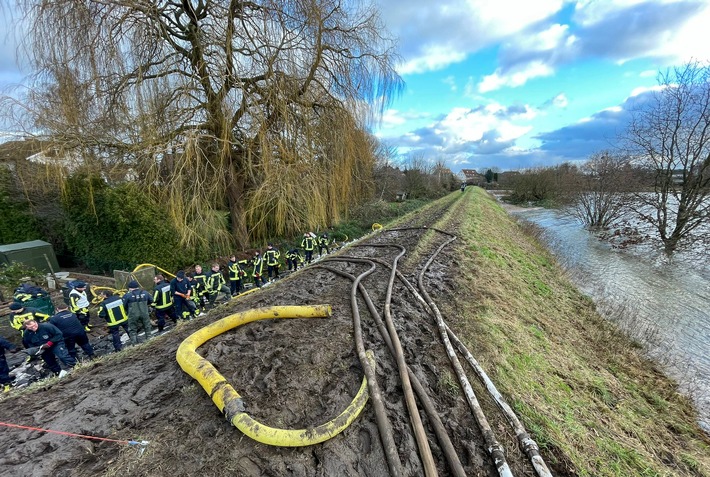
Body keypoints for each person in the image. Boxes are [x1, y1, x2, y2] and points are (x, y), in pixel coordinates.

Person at [122, 280, 153, 345]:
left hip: (133, 314)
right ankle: (149, 340)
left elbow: (123, 306)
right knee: (147, 326)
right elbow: (151, 300)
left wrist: (128, 311)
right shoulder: (145, 293)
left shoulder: (127, 295)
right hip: (144, 312)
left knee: (132, 329)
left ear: (130, 288)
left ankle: (135, 344)